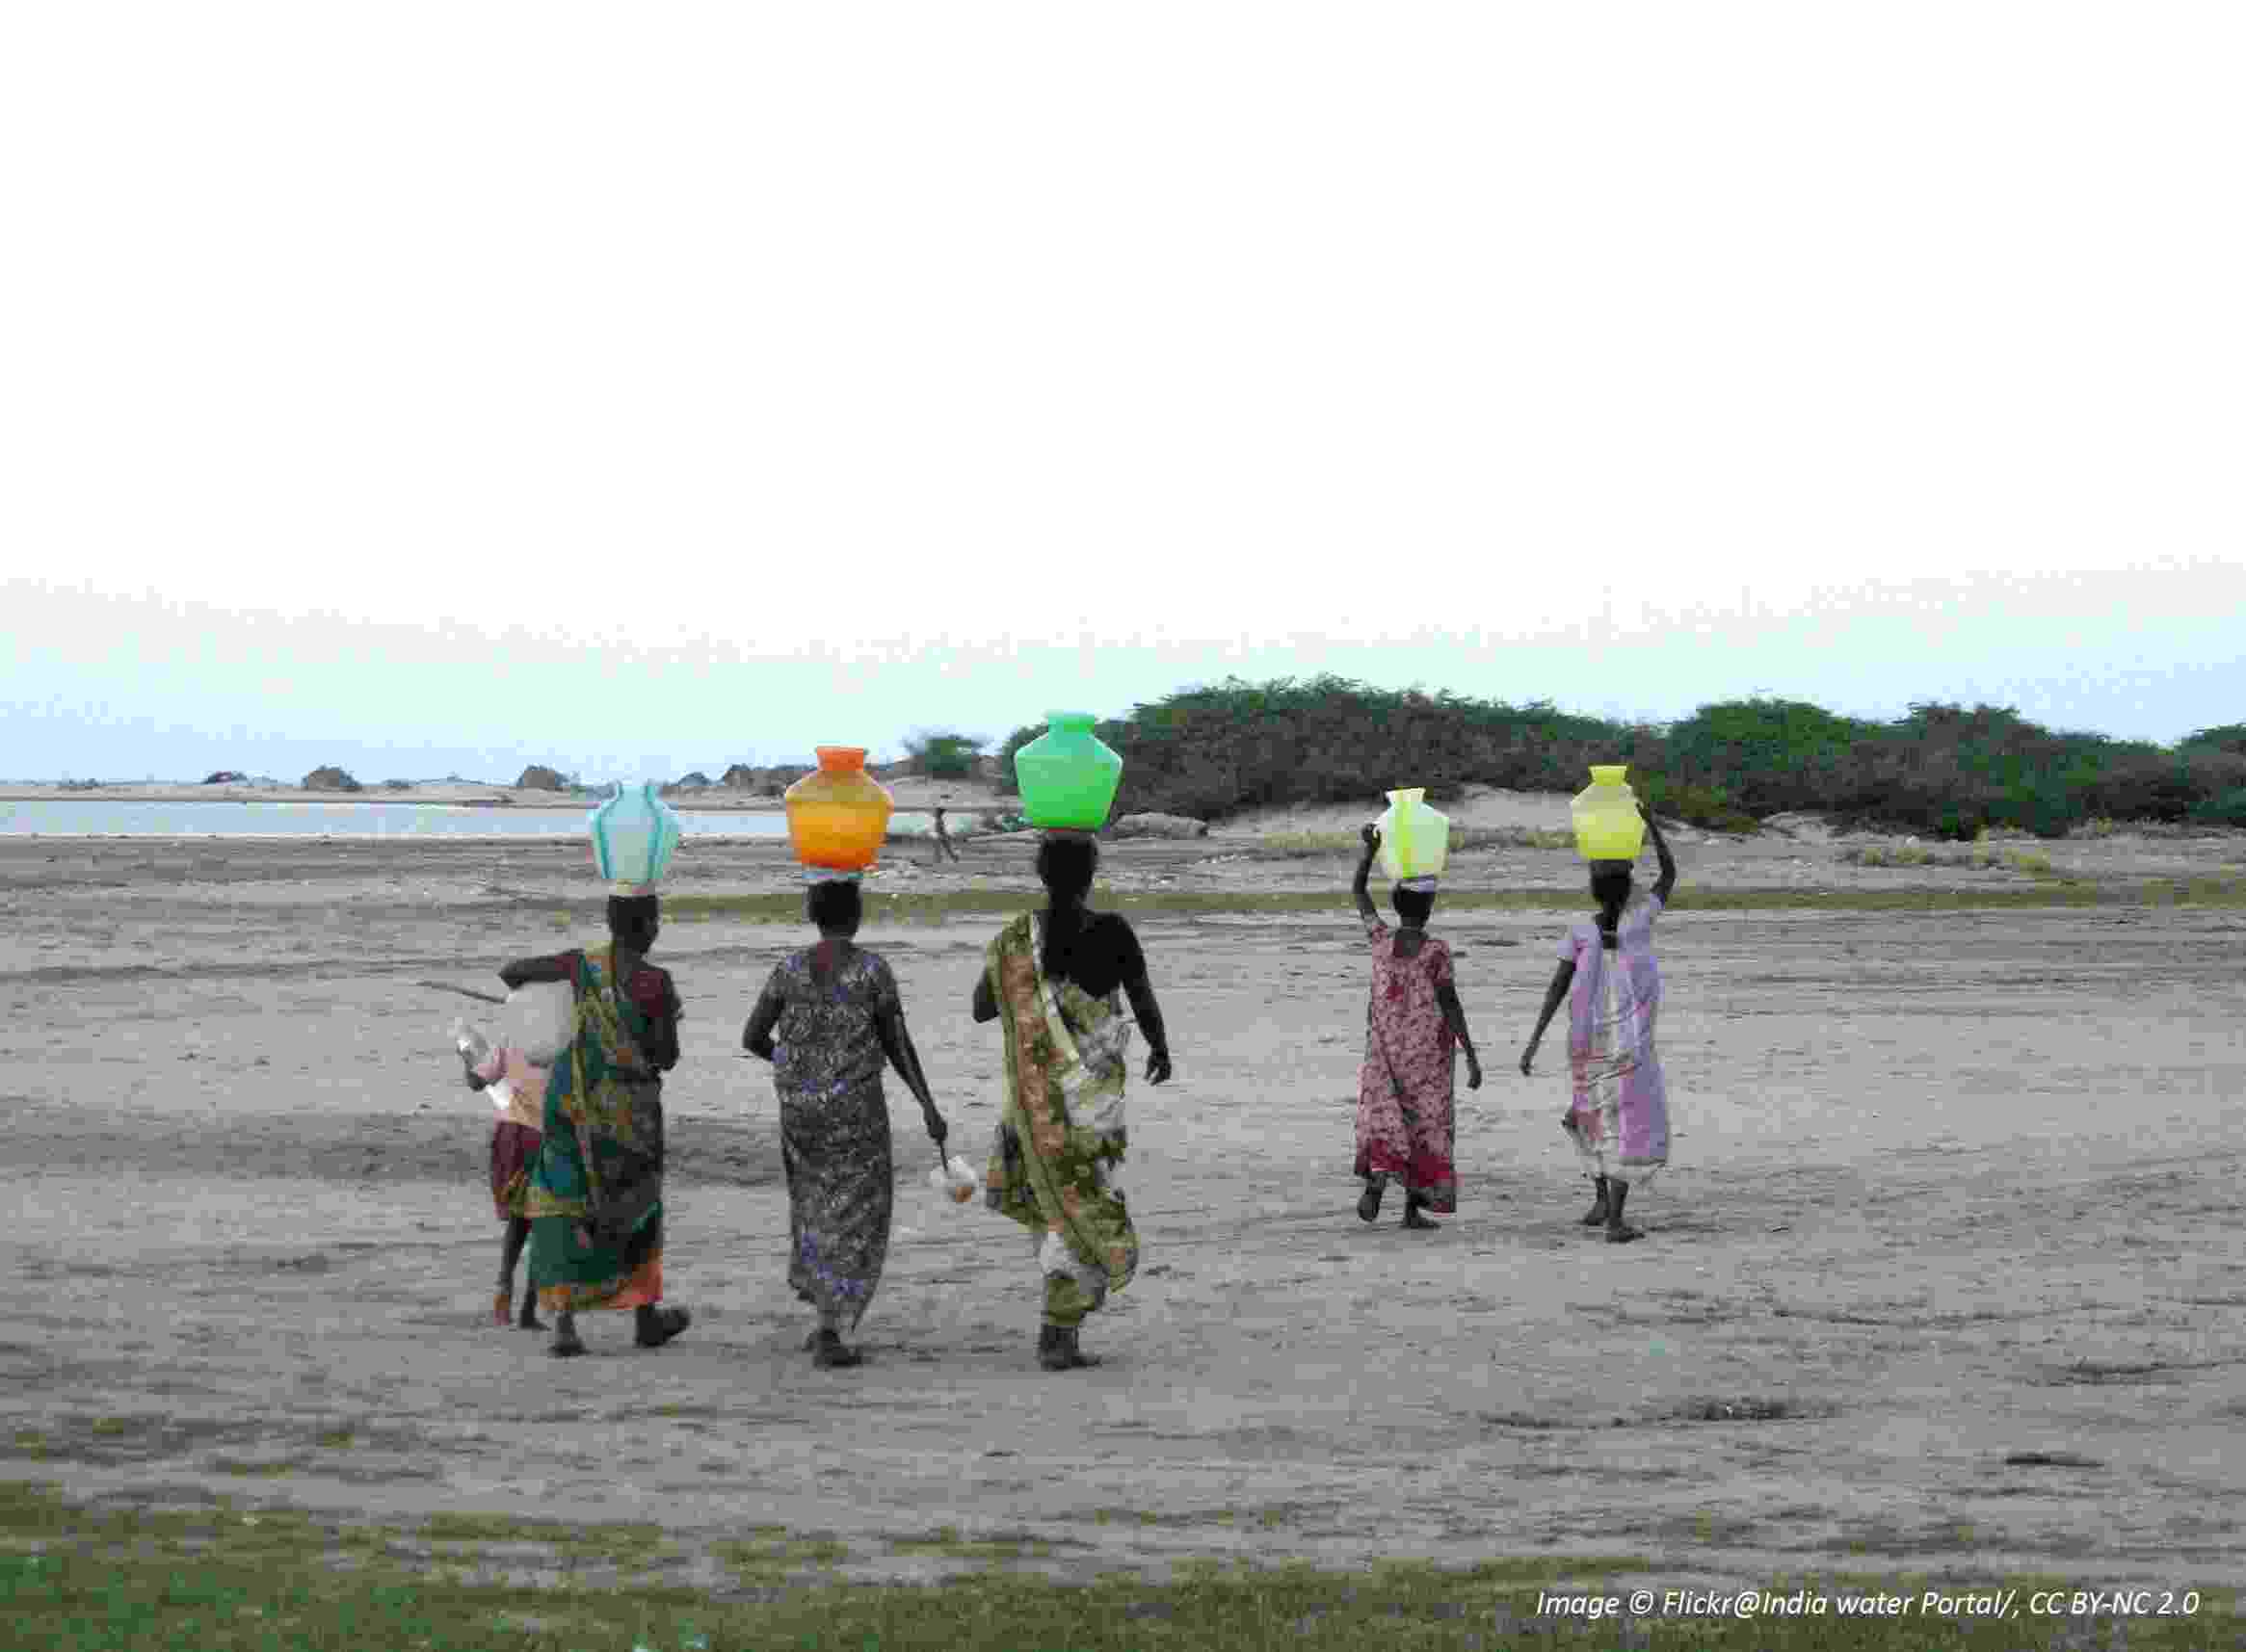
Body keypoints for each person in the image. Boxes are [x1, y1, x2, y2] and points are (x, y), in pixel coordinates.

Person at [970, 833, 1171, 1372]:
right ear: (1091, 875)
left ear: (1040, 875)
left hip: (1035, 1103)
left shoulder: (1016, 940)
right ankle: (1058, 1332)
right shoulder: (1113, 931)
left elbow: (982, 1008)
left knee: (1054, 1208)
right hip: (1092, 1104)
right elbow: (1143, 999)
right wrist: (1160, 1047)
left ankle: (1059, 1326)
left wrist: (1028, 986)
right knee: (1084, 1196)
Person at [743, 876, 948, 1370]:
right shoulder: (872, 972)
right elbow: (899, 1045)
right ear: (855, 917)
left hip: (799, 1110)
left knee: (813, 1202)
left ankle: (824, 1317)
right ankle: (831, 1330)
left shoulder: (788, 970)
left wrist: (797, 1069)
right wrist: (928, 1105)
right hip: (855, 1111)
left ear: (814, 915)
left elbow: (753, 1036)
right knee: (857, 1211)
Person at [506, 892, 692, 1357]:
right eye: (655, 920)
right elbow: (666, 1057)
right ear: (647, 925)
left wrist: (551, 1005)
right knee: (639, 1207)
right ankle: (645, 1317)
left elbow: (513, 971)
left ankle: (564, 1325)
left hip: (574, 1105)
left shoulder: (579, 966)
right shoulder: (656, 982)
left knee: (565, 1202)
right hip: (630, 1115)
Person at [1520, 801, 1678, 1243]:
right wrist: (1650, 825)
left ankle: (1601, 1200)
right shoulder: (1639, 922)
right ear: (1630, 890)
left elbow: (1555, 989)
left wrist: (1533, 1042)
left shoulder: (1580, 931)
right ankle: (1614, 1219)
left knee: (1590, 1118)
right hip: (1628, 1047)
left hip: (1586, 1046)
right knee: (1626, 1124)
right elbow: (1669, 876)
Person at [1351, 825, 1482, 1230]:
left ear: (1396, 904)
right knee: (1425, 1125)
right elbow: (1450, 1003)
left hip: (1386, 1051)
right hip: (1427, 1058)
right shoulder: (1436, 951)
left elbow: (1358, 892)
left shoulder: (1379, 940)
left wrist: (1369, 852)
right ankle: (1411, 1209)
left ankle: (1377, 1182)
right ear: (1427, 909)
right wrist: (1471, 1052)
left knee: (1388, 1117)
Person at [461, 1035, 548, 1330]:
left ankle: (503, 1286)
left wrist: (467, 1055)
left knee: (520, 1218)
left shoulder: (510, 1042)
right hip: (548, 1137)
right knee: (545, 1223)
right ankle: (528, 1308)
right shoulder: (566, 1039)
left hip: (511, 1137)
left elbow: (475, 1082)